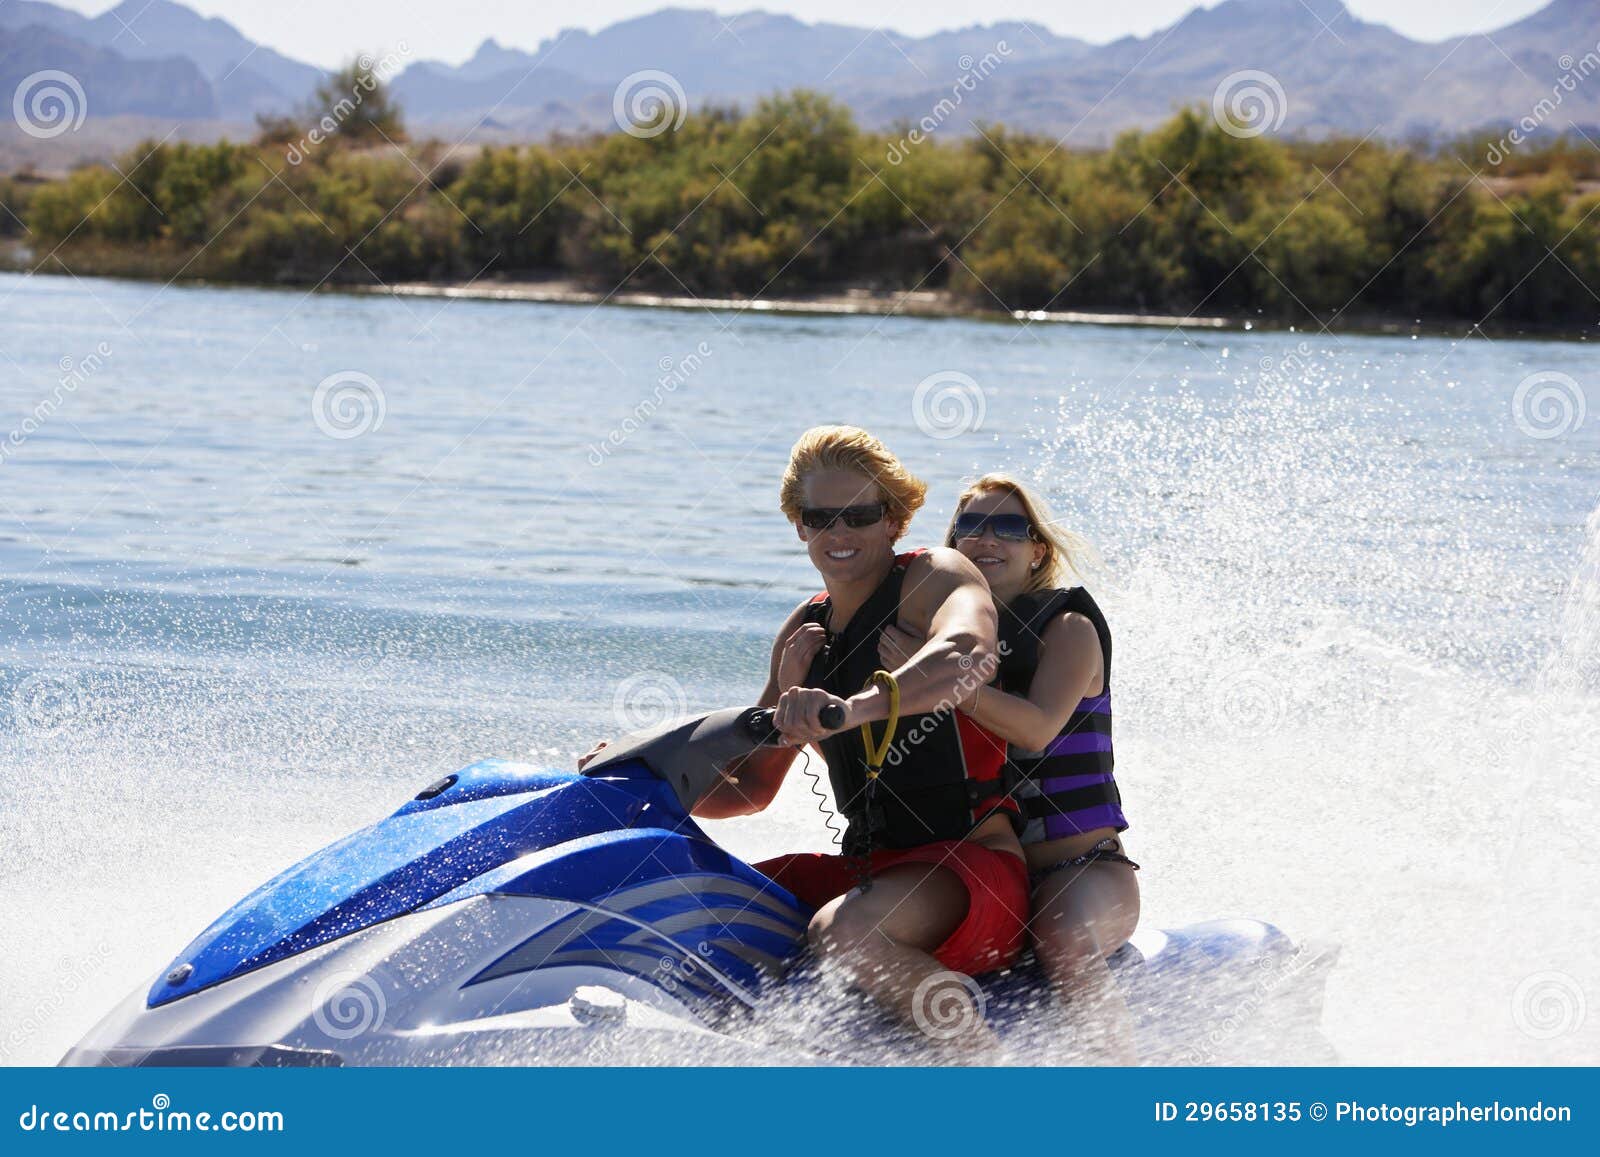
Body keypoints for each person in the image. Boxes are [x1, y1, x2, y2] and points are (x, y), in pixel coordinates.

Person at [693, 426, 1029, 1050]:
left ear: (894, 520)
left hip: (972, 869)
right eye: (821, 518)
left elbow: (967, 654)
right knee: (698, 904)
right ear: (800, 526)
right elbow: (750, 792)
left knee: (844, 933)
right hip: (872, 868)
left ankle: (984, 1066)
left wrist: (852, 710)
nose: (839, 534)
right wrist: (637, 782)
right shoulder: (806, 630)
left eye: (860, 515)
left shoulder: (933, 576)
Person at [878, 473, 1140, 1062]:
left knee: (1064, 937)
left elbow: (1038, 726)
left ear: (1037, 549)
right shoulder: (950, 640)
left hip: (1086, 871)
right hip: (1001, 879)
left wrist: (935, 679)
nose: (985, 538)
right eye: (969, 525)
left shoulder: (1068, 629)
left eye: (1008, 527)